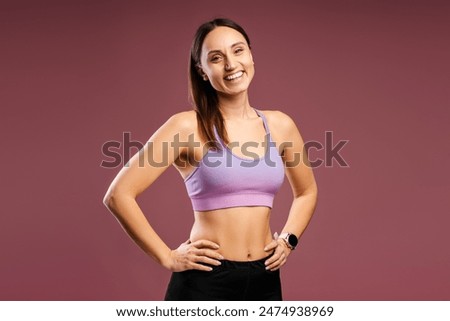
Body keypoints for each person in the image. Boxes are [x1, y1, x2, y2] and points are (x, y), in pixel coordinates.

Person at [103, 18, 318, 301]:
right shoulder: (185, 127)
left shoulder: (280, 125)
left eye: (238, 51)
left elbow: (306, 192)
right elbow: (118, 195)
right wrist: (168, 257)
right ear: (202, 71)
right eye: (216, 58)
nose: (231, 65)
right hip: (205, 281)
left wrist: (288, 240)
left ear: (251, 55)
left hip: (265, 278)